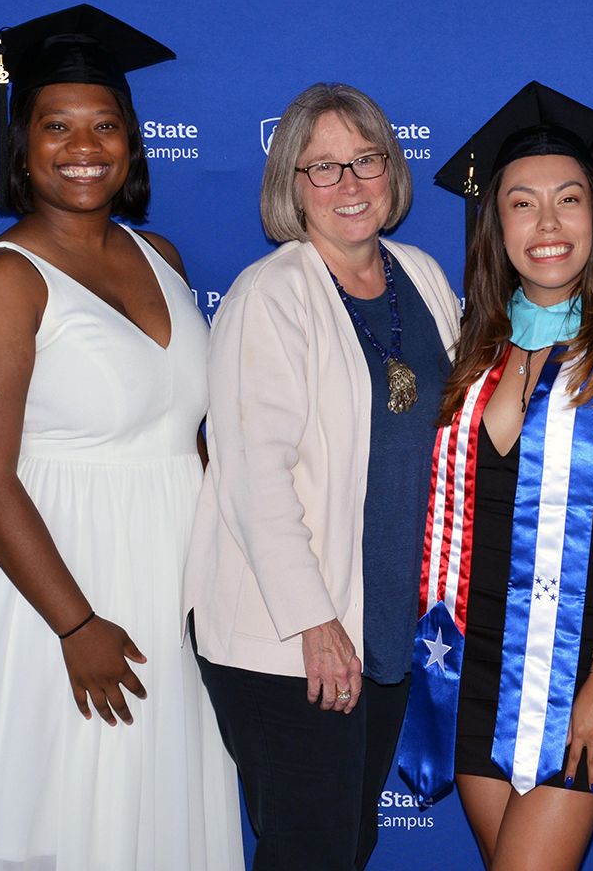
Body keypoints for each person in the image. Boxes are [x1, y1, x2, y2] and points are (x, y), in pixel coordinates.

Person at [0, 5, 242, 871]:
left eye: (105, 125)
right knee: (61, 815)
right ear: (22, 145)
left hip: (168, 582)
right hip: (57, 587)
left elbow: (191, 437)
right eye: (55, 126)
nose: (82, 145)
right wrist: (75, 625)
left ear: (132, 144)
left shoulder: (161, 255)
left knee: (151, 813)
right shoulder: (3, 278)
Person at [401, 81, 593, 871]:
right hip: (467, 663)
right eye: (522, 203)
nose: (548, 223)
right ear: (496, 223)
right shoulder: (471, 352)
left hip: (581, 661)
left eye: (568, 199)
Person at [185, 82, 460, 871]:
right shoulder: (271, 295)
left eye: (364, 160)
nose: (349, 185)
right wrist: (315, 623)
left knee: (345, 844)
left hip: (385, 625)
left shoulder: (420, 275)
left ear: (391, 169)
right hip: (290, 639)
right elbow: (251, 477)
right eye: (323, 168)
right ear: (290, 187)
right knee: (312, 850)